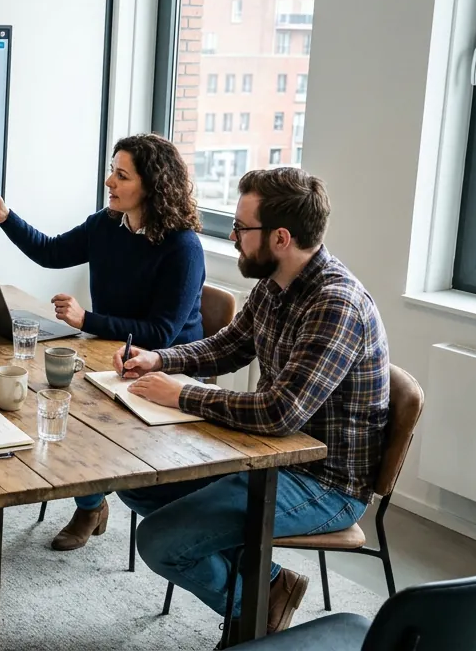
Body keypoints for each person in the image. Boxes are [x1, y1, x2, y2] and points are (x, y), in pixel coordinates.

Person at [116, 167, 389, 641]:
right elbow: (228, 346)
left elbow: (279, 413)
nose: (234, 236)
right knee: (137, 487)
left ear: (281, 237)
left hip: (324, 481)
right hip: (266, 456)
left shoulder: (335, 303)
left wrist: (181, 393)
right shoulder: (275, 282)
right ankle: (269, 581)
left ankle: (257, 606)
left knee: (160, 542)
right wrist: (160, 359)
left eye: (243, 228)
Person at [0, 133, 206, 550]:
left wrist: (85, 318)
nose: (109, 181)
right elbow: (50, 252)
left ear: (152, 186)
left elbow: (162, 332)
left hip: (163, 365)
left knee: (71, 411)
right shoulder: (107, 225)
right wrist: (4, 216)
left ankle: (89, 506)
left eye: (121, 175)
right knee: (51, 395)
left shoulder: (183, 246)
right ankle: (93, 502)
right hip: (105, 350)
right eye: (112, 170)